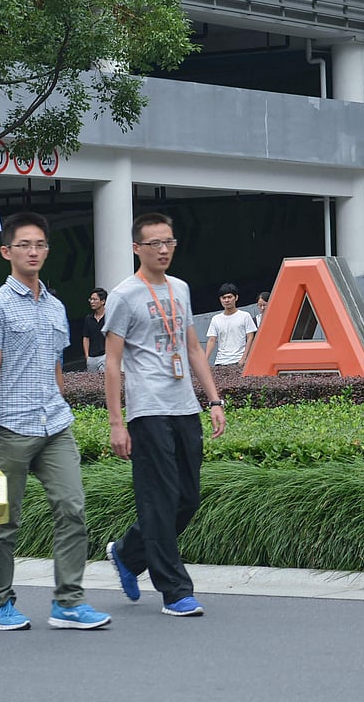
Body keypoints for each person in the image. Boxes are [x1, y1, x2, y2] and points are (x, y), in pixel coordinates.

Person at [0, 211, 111, 631]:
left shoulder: (55, 306)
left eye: (40, 245)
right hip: (12, 429)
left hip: (55, 426)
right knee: (1, 521)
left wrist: (61, 403)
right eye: (24, 245)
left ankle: (68, 602)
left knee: (72, 508)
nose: (33, 252)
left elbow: (55, 367)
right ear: (6, 252)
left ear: (47, 251)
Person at [102, 212, 227, 617]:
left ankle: (127, 553)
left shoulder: (181, 288)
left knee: (187, 498)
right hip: (148, 409)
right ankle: (175, 590)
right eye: (154, 243)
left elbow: (192, 348)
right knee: (159, 500)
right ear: (137, 248)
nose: (163, 250)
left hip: (183, 406)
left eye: (169, 242)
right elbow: (113, 362)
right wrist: (117, 424)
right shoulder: (123, 295)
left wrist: (213, 400)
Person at [204, 283, 257, 368]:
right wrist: (205, 360)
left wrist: (244, 358)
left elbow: (250, 337)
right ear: (220, 300)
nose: (227, 300)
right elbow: (211, 340)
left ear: (236, 298)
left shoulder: (245, 316)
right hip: (220, 362)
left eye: (229, 297)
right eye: (224, 298)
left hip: (239, 361)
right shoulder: (216, 319)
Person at [82, 287, 108, 372]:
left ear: (102, 301)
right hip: (91, 358)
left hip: (105, 356)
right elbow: (86, 337)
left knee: (104, 381)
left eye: (95, 299)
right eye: (91, 299)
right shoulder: (88, 318)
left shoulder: (109, 317)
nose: (92, 302)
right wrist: (87, 356)